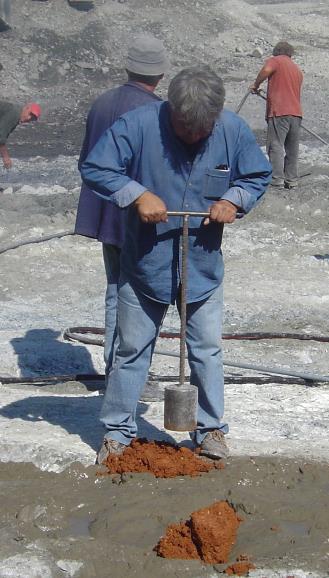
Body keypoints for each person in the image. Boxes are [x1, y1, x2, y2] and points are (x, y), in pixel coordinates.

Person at [81, 66, 272, 463]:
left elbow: (257, 176)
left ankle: (211, 430)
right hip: (145, 264)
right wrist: (136, 194)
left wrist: (233, 199)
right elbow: (97, 167)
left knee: (206, 350)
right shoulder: (137, 125)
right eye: (186, 128)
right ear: (172, 111)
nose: (194, 136)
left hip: (201, 266)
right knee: (132, 349)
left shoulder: (232, 130)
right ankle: (117, 431)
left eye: (203, 130)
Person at [75, 33, 168, 387]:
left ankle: (117, 367)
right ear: (159, 75)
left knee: (115, 289)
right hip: (135, 218)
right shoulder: (154, 111)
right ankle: (128, 375)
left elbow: (88, 162)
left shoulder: (102, 102)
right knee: (135, 296)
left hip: (106, 214)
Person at [250, 40, 303, 189]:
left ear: (277, 52)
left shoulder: (276, 61)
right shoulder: (296, 69)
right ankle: (292, 180)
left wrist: (256, 85)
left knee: (276, 145)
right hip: (296, 113)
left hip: (279, 112)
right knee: (292, 149)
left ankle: (276, 180)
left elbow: (266, 70)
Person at [0, 101, 41, 169]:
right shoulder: (15, 114)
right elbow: (1, 138)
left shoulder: (16, 113)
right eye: (30, 114)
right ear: (26, 108)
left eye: (32, 118)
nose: (28, 118)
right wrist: (6, 158)